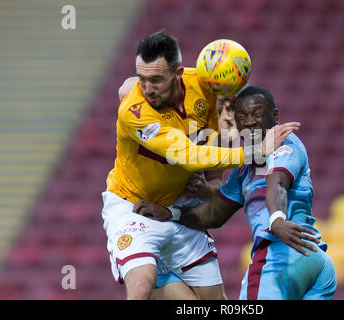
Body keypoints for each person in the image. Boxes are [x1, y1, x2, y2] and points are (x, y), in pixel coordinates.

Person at [102, 29, 300, 300]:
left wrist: (215, 178)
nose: (147, 89)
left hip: (179, 206)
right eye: (143, 79)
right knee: (141, 285)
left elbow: (216, 131)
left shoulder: (205, 84)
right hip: (132, 206)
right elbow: (186, 156)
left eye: (157, 80)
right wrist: (254, 151)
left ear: (179, 73)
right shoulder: (134, 111)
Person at [134, 85, 337, 300]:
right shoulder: (245, 168)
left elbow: (277, 182)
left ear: (274, 115)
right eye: (242, 116)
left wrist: (276, 219)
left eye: (257, 114)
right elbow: (216, 213)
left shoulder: (285, 144)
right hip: (311, 259)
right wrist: (171, 214)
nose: (249, 122)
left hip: (282, 254)